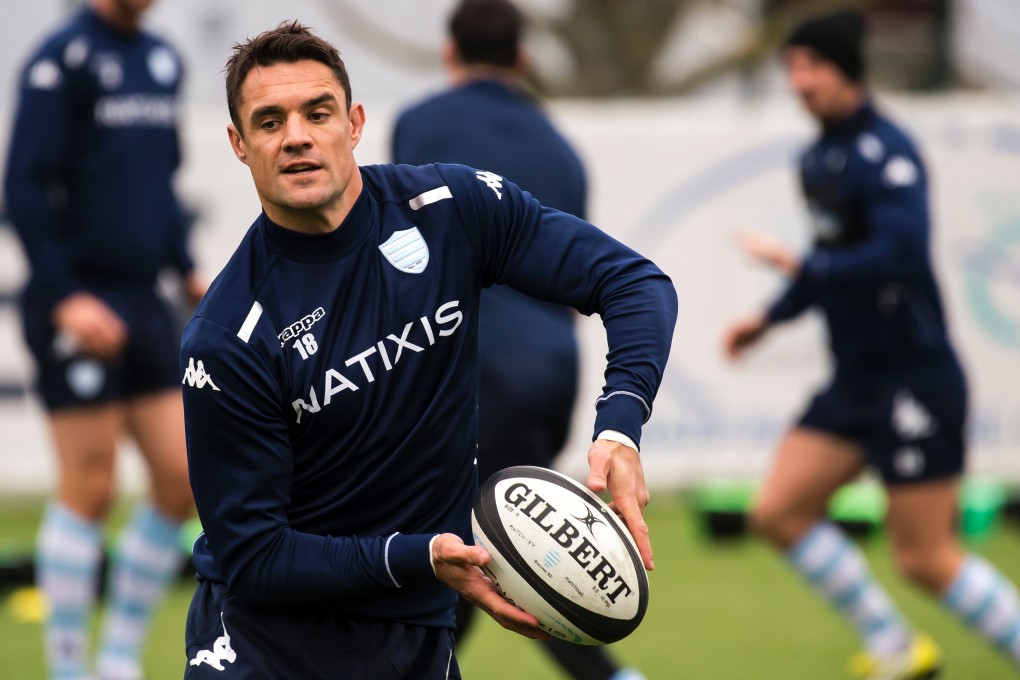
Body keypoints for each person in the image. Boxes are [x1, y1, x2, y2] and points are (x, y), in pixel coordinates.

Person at [180, 20, 676, 680]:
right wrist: (419, 557)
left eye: (317, 113)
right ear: (240, 146)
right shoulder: (227, 335)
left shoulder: (446, 209)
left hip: (415, 641)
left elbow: (633, 282)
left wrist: (621, 427)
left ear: (354, 124)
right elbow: (255, 556)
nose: (296, 135)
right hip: (267, 648)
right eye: (269, 122)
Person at [723, 10, 1020, 680]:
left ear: (847, 70)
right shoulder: (817, 158)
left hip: (914, 377)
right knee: (778, 512)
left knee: (924, 558)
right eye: (792, 67)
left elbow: (900, 253)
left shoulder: (888, 149)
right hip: (856, 381)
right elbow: (829, 264)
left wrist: (802, 271)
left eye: (813, 66)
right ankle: (895, 647)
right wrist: (768, 318)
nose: (800, 81)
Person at [392, 2, 644, 679]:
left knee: (488, 549)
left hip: (466, 371)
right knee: (484, 547)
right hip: (550, 369)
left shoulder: (419, 124)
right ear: (524, 58)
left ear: (450, 53)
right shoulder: (558, 144)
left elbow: (401, 254)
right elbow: (571, 273)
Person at [3, 1, 205, 679]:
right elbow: (23, 187)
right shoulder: (61, 60)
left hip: (145, 300)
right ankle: (69, 668)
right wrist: (65, 295)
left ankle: (118, 658)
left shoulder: (161, 60)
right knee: (90, 487)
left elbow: (161, 185)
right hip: (77, 298)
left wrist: (186, 267)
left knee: (181, 478)